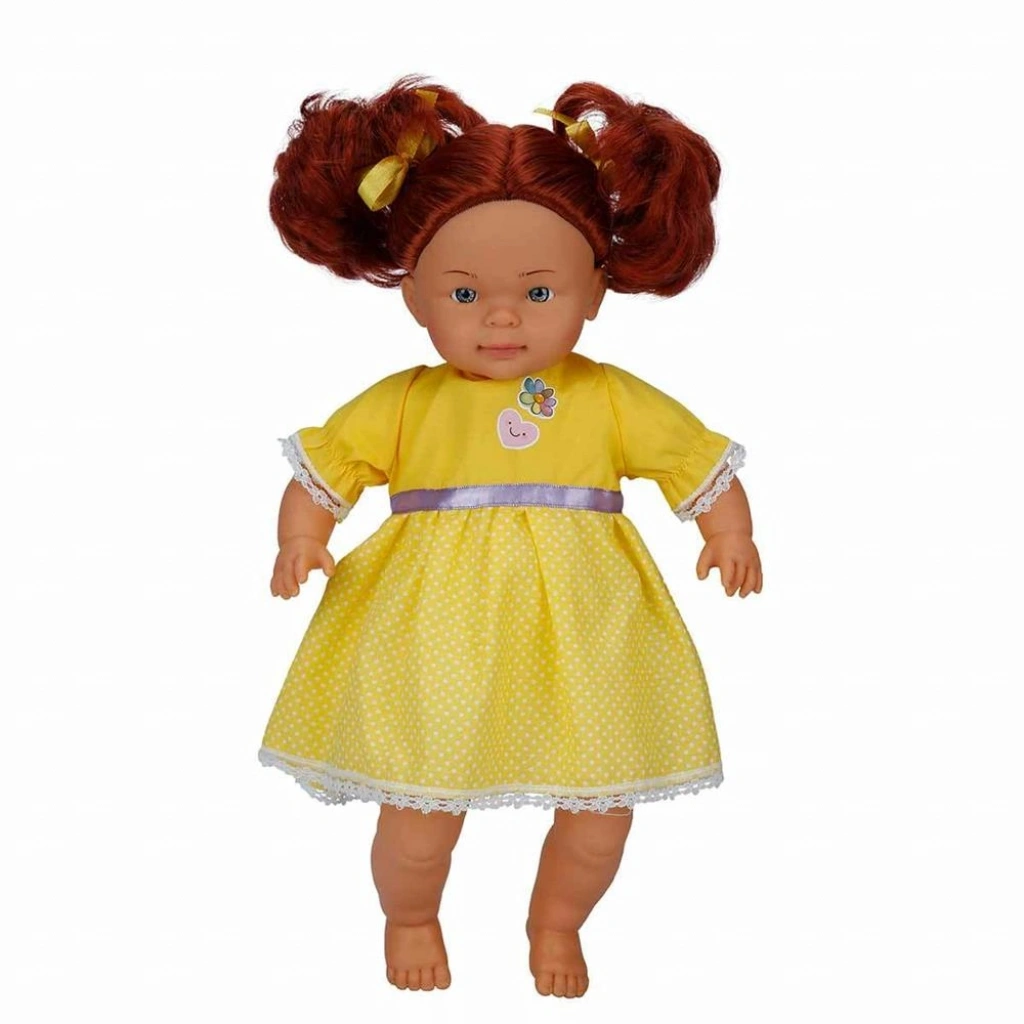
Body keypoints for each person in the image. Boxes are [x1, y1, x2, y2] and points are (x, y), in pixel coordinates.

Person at [257, 75, 762, 998]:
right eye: (464, 291)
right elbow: (326, 469)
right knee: (418, 815)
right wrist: (301, 537)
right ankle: (410, 915)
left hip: (586, 639)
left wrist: (727, 529)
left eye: (538, 290)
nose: (501, 316)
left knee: (601, 814)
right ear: (415, 298)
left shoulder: (605, 395)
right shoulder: (407, 401)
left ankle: (556, 922)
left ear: (595, 293)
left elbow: (691, 458)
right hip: (433, 638)